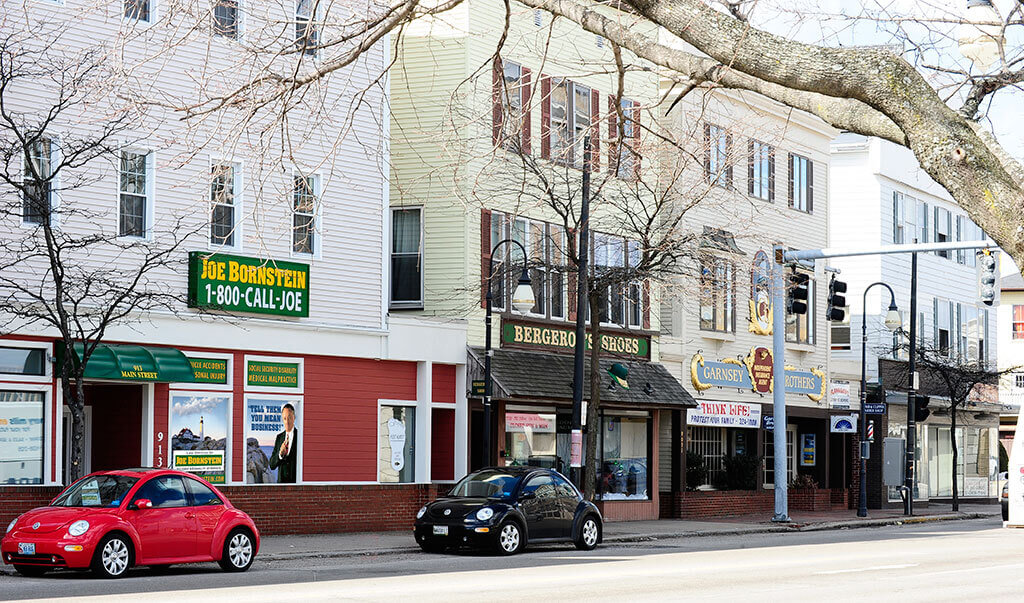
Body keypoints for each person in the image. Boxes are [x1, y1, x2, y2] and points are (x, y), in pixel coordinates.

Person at [269, 403, 298, 483]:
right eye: (285, 418)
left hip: (296, 486)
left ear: (294, 418)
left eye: (289, 417)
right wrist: (280, 454)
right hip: (281, 486)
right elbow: (272, 465)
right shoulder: (279, 438)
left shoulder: (300, 436)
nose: (287, 422)